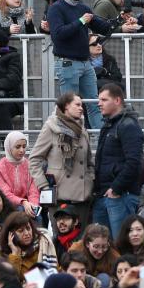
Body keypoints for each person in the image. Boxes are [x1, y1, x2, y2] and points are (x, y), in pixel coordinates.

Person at [45, 0, 115, 129]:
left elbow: (103, 27)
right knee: (70, 107)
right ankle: (69, 143)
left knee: (95, 105)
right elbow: (58, 35)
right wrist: (81, 21)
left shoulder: (83, 7)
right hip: (67, 64)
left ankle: (101, 142)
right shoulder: (56, 9)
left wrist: (120, 21)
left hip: (85, 64)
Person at [29, 92, 95, 228]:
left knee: (80, 243)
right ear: (66, 106)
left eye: (82, 105)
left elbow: (89, 162)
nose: (81, 108)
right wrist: (44, 186)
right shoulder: (51, 127)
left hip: (82, 197)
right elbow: (34, 159)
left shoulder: (82, 130)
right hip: (60, 197)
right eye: (77, 104)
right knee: (61, 241)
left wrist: (89, 180)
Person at [91, 83, 144, 239]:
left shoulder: (128, 126)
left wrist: (116, 188)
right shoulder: (109, 125)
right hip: (105, 195)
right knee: (102, 247)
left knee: (121, 245)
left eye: (104, 99)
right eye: (99, 99)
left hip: (121, 196)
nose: (99, 103)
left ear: (117, 100)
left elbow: (134, 163)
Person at [0, 131, 39, 216]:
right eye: (18, 147)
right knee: (21, 212)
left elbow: (33, 190)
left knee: (36, 215)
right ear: (9, 147)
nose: (22, 150)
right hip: (8, 206)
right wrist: (23, 202)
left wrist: (33, 205)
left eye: (24, 147)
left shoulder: (30, 165)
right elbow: (5, 193)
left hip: (27, 204)